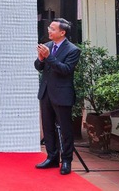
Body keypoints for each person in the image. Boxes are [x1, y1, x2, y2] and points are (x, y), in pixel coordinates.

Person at [34, 18, 81, 175]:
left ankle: (66, 160)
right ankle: (52, 157)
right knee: (48, 128)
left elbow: (65, 70)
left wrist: (49, 57)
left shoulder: (73, 50)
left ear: (62, 32)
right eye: (49, 27)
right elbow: (39, 67)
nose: (49, 30)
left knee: (65, 130)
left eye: (53, 29)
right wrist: (40, 59)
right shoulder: (47, 46)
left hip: (62, 94)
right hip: (46, 92)